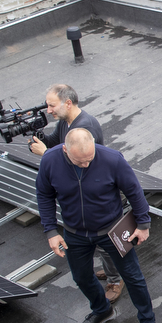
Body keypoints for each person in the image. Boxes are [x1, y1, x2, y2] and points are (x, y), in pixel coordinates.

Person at [37, 128, 162, 323]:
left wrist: (143, 224)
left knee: (133, 277)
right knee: (81, 277)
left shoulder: (112, 159)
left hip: (112, 231)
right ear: (65, 150)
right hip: (75, 234)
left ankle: (148, 321)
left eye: (89, 159)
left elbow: (134, 191)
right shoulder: (50, 160)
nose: (86, 165)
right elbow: (44, 194)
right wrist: (50, 231)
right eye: (80, 162)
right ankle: (101, 309)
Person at [30, 83, 124, 304]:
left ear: (68, 103)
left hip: (96, 199)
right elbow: (55, 143)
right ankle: (111, 271)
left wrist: (45, 155)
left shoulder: (85, 128)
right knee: (99, 245)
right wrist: (39, 136)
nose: (49, 110)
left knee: (105, 243)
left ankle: (115, 279)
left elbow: (74, 163)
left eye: (52, 105)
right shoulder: (66, 122)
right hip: (81, 198)